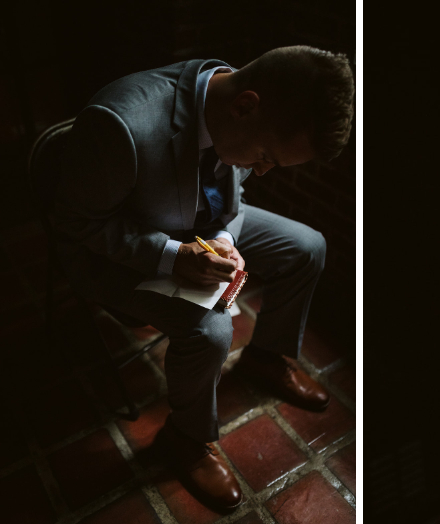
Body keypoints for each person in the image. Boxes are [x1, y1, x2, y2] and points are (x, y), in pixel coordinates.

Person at [52, 45, 354, 510]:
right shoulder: (121, 125)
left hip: (199, 222)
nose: (261, 170)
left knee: (308, 245)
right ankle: (186, 439)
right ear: (245, 105)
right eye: (264, 157)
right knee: (212, 329)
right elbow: (75, 223)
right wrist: (173, 256)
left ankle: (266, 356)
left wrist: (220, 236)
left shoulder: (231, 101)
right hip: (121, 255)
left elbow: (233, 189)